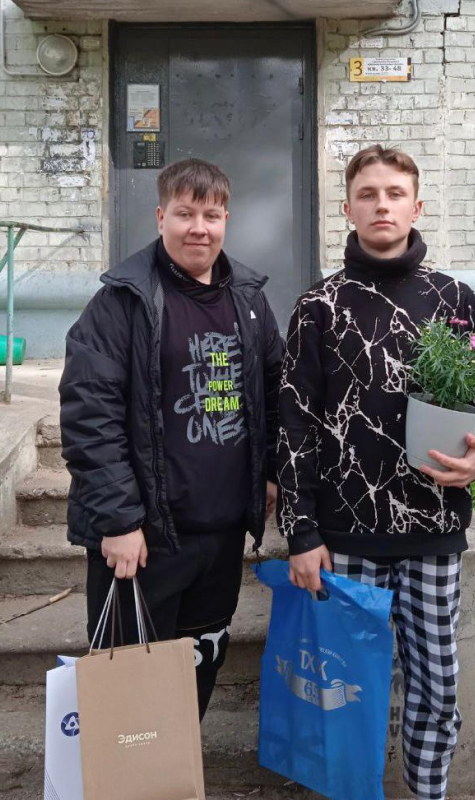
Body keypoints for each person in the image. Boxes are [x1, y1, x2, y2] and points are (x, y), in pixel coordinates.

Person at [277, 145, 475, 800]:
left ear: (417, 205)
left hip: (433, 534)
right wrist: (300, 531)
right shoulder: (319, 306)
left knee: (435, 692)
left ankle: (426, 792)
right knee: (347, 694)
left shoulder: (453, 299)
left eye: (395, 193)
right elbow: (293, 424)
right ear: (348, 208)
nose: (382, 205)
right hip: (345, 540)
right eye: (368, 194)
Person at [60, 158, 283, 719]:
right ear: (161, 217)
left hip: (221, 537)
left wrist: (272, 471)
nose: (198, 228)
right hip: (144, 541)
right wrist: (118, 521)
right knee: (132, 699)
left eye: (211, 215)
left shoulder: (250, 301)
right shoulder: (122, 302)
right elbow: (89, 416)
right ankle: (135, 768)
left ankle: (178, 765)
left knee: (196, 676)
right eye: (185, 214)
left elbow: (275, 393)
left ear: (226, 219)